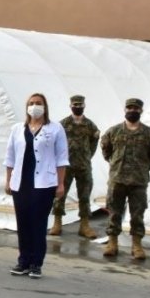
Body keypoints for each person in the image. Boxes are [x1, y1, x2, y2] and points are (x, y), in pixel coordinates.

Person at [4, 93, 68, 279]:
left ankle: (36, 263)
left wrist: (60, 183)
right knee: (23, 223)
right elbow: (10, 157)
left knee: (38, 223)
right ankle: (23, 260)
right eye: (31, 104)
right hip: (21, 183)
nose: (34, 107)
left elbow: (61, 158)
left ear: (45, 106)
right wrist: (8, 180)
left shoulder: (55, 129)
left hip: (44, 184)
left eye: (38, 103)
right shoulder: (17, 129)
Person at [100, 98, 150, 259]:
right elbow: (106, 151)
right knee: (114, 212)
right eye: (129, 108)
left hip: (138, 181)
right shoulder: (114, 131)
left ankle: (137, 245)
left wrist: (142, 168)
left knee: (138, 214)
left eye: (136, 108)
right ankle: (112, 243)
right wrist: (116, 164)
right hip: (117, 179)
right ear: (125, 110)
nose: (132, 111)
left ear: (141, 110)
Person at [50, 95, 100, 239]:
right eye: (75, 104)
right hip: (65, 165)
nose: (77, 107)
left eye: (80, 105)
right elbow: (56, 143)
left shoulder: (90, 125)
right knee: (60, 194)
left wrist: (87, 156)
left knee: (84, 195)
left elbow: (94, 143)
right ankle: (57, 222)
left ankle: (84, 225)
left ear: (84, 106)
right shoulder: (63, 124)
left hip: (84, 166)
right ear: (70, 105)